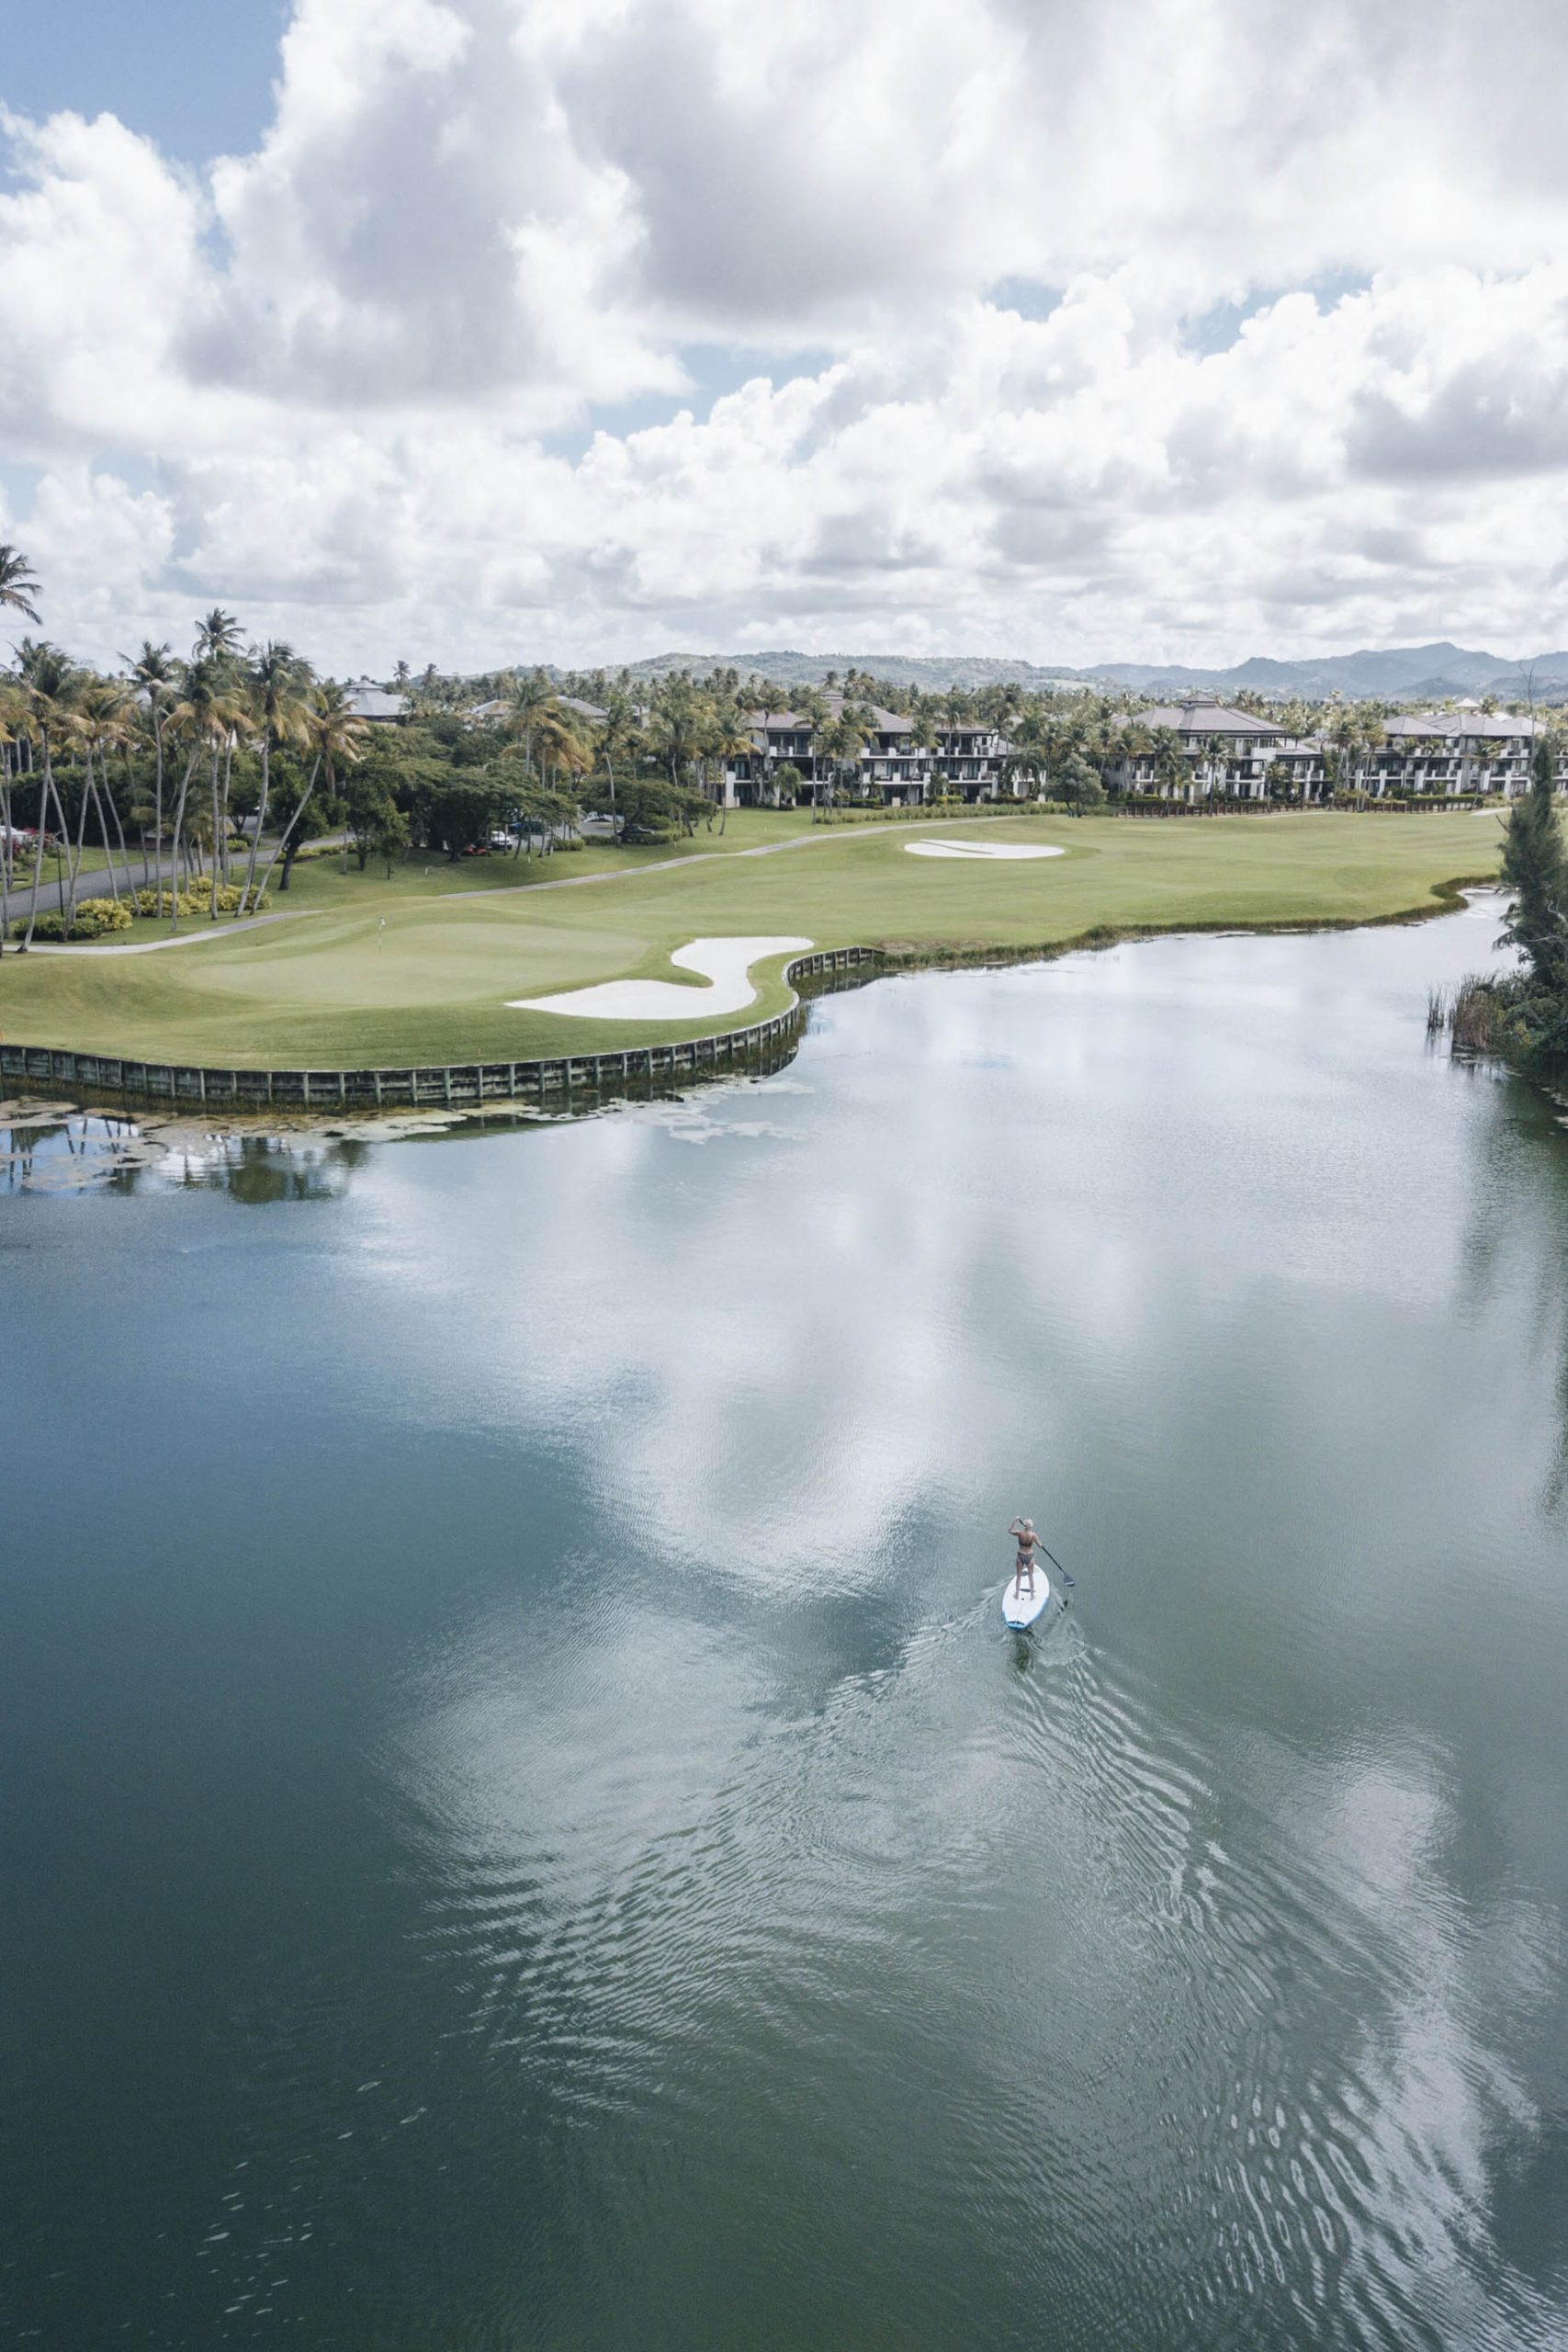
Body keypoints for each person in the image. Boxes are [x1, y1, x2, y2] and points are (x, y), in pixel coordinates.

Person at [1009, 1517, 1044, 1595]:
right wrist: (1041, 1545)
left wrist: (1015, 1521)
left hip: (1020, 1556)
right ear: (1031, 1526)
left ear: (1024, 1525)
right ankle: (1032, 1595)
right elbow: (1039, 1545)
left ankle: (1017, 1594)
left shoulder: (1019, 1533)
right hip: (1030, 1557)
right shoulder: (1033, 1535)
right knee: (1030, 1577)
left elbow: (1010, 1531)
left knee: (1018, 1577)